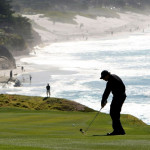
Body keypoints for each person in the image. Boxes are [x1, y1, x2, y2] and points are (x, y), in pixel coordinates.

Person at [100, 70, 126, 136]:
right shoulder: (114, 76)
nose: (103, 79)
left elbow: (106, 92)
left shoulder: (111, 81)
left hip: (118, 97)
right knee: (115, 113)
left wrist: (103, 101)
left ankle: (117, 131)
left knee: (113, 113)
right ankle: (120, 131)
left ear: (107, 75)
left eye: (104, 77)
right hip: (121, 96)